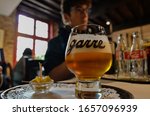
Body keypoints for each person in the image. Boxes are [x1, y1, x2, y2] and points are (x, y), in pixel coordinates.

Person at [43, 0, 92, 82]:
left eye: (86, 10)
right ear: (66, 17)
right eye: (79, 10)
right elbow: (51, 77)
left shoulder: (91, 39)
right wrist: (80, 56)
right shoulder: (55, 43)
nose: (85, 15)